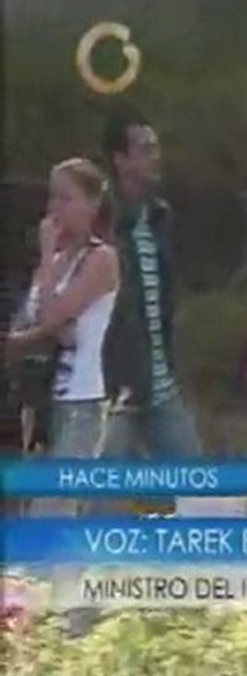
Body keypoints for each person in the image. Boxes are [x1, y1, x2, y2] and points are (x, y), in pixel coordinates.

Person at [5, 157, 119, 637]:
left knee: (55, 509)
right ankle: (69, 620)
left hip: (82, 401)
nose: (55, 209)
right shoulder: (56, 263)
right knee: (38, 508)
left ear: (92, 205)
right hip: (43, 403)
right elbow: (35, 324)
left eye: (66, 198)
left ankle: (68, 626)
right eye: (52, 197)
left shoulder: (101, 259)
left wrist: (48, 261)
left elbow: (56, 319)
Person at [98, 106, 203, 481]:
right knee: (102, 505)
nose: (155, 156)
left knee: (196, 489)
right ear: (120, 159)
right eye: (144, 149)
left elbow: (163, 303)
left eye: (155, 147)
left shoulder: (159, 216)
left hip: (160, 382)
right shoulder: (102, 220)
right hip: (116, 389)